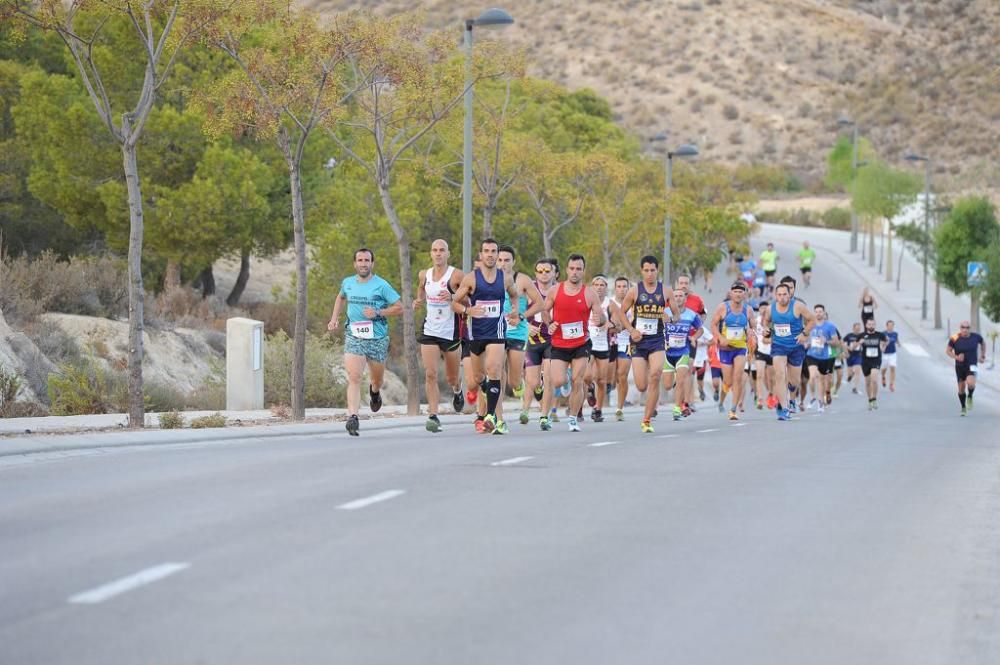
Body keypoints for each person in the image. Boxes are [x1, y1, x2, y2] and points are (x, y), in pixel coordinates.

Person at [450, 238, 522, 435]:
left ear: (498, 255)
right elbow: (454, 303)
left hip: (497, 331)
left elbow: (515, 295)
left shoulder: (505, 278)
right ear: (481, 255)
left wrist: (515, 310)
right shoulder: (471, 278)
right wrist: (468, 311)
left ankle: (490, 416)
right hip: (476, 334)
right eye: (486, 251)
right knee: (478, 377)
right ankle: (486, 393)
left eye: (493, 251)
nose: (490, 254)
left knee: (494, 369)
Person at [328, 248, 403, 436]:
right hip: (354, 335)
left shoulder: (382, 285)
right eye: (360, 260)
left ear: (372, 263)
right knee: (354, 377)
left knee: (377, 379)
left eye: (367, 260)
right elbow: (340, 297)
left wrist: (379, 312)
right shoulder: (348, 283)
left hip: (377, 338)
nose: (363, 263)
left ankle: (375, 392)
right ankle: (352, 417)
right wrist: (334, 318)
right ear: (355, 264)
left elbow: (399, 307)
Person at [534, 253, 606, 432]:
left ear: (583, 271)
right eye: (572, 268)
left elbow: (601, 317)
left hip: (581, 344)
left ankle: (573, 418)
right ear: (566, 270)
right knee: (557, 381)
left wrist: (601, 319)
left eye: (579, 269)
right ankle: (564, 380)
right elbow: (544, 311)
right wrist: (549, 323)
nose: (575, 272)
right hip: (559, 343)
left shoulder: (589, 294)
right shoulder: (555, 290)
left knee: (578, 380)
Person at [413, 239, 466, 432]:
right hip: (430, 330)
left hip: (450, 333)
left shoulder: (456, 275)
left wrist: (453, 297)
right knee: (430, 373)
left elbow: (469, 297)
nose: (438, 254)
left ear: (448, 253)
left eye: (442, 250)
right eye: (435, 250)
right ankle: (433, 415)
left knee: (452, 377)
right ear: (430, 253)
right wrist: (419, 300)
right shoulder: (424, 274)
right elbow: (421, 289)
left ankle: (457, 390)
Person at [616, 255, 671, 433]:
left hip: (657, 340)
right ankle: (648, 404)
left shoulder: (666, 291)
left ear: (657, 270)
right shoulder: (634, 291)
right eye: (646, 270)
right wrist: (632, 331)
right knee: (641, 385)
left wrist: (669, 317)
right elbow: (621, 313)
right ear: (642, 271)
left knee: (655, 375)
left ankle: (647, 420)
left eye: (652, 270)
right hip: (639, 341)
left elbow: (676, 315)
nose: (649, 274)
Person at [497, 244, 540, 415]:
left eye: (507, 260)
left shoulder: (522, 280)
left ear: (513, 262)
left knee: (513, 381)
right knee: (495, 370)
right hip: (496, 332)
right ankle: (494, 410)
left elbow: (540, 303)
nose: (502, 264)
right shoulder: (489, 279)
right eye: (500, 260)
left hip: (517, 332)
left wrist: (522, 316)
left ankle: (519, 384)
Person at [762, 282, 815, 420]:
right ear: (775, 295)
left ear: (789, 294)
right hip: (778, 346)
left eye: (785, 294)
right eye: (779, 295)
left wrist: (804, 333)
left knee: (794, 381)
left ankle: (792, 398)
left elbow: (812, 320)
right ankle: (784, 408)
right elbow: (765, 322)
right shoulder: (770, 308)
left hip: (796, 346)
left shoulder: (797, 306)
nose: (782, 297)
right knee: (779, 375)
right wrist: (766, 330)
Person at [710, 281, 756, 420]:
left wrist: (750, 333)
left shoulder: (748, 310)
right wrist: (719, 337)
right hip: (725, 348)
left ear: (745, 294)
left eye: (740, 291)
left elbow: (753, 327)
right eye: (735, 291)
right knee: (728, 381)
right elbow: (713, 324)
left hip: (740, 348)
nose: (738, 294)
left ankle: (733, 409)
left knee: (738, 378)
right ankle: (722, 401)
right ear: (731, 293)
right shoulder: (723, 308)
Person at [521, 258, 556, 424]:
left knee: (549, 377)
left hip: (552, 340)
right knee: (533, 381)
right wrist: (527, 326)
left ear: (554, 273)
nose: (544, 274)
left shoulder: (558, 291)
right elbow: (517, 313)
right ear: (535, 274)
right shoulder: (529, 291)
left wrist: (555, 324)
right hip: (533, 340)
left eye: (547, 271)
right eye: (540, 271)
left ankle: (544, 416)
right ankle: (526, 409)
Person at [662, 287, 704, 421]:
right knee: (668, 385)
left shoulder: (691, 314)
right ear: (671, 299)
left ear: (685, 299)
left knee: (681, 381)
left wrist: (693, 338)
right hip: (668, 353)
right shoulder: (665, 313)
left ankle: (676, 409)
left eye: (681, 296)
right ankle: (674, 383)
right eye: (675, 296)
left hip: (683, 351)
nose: (678, 298)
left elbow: (700, 330)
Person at [584, 274, 619, 422]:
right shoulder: (586, 301)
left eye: (602, 285)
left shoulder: (610, 304)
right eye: (596, 285)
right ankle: (590, 389)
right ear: (592, 287)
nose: (599, 288)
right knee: (586, 376)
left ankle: (598, 409)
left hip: (604, 345)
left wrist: (609, 325)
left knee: (602, 380)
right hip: (587, 343)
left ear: (606, 287)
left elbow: (618, 325)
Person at [804, 304, 840, 412]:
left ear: (824, 313)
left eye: (820, 311)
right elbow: (805, 337)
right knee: (813, 375)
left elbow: (836, 342)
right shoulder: (810, 325)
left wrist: (826, 341)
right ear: (814, 313)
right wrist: (806, 343)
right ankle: (813, 397)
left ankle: (820, 401)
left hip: (825, 356)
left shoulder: (830, 326)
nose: (818, 313)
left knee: (822, 379)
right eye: (816, 311)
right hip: (812, 355)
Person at [946, 320, 986, 416]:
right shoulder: (954, 338)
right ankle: (963, 407)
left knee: (971, 383)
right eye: (963, 327)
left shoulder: (976, 337)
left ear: (970, 329)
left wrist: (982, 356)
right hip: (960, 366)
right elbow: (948, 351)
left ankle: (970, 396)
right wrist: (956, 357)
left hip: (972, 365)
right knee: (961, 389)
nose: (965, 329)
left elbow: (983, 343)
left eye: (967, 328)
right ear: (960, 328)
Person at [611, 276, 633, 421]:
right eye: (618, 286)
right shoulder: (610, 303)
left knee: (622, 376)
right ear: (615, 288)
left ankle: (619, 408)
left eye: (624, 286)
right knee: (610, 378)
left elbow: (631, 324)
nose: (621, 289)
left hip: (626, 343)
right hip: (610, 343)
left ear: (628, 288)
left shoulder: (633, 305)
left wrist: (623, 324)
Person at [859, 318, 888, 410]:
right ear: (866, 325)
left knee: (874, 380)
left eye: (873, 324)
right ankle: (870, 400)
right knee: (867, 382)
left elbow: (887, 340)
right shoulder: (862, 335)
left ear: (875, 325)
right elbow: (853, 346)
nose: (871, 326)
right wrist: (859, 343)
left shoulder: (880, 335)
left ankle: (874, 398)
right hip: (865, 361)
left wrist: (883, 346)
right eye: (869, 324)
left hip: (876, 360)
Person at [753, 300, 775, 409]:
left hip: (771, 352)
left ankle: (771, 394)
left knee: (771, 378)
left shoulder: (773, 322)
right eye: (762, 308)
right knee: (759, 375)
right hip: (759, 351)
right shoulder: (755, 321)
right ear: (759, 309)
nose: (764, 310)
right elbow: (750, 334)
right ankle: (760, 398)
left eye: (766, 308)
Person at [842, 322, 864, 394]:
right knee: (850, 373)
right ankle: (849, 378)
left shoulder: (862, 336)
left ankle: (855, 388)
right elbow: (841, 342)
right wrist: (847, 349)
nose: (858, 330)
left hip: (858, 355)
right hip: (849, 355)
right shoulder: (849, 336)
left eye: (859, 329)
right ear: (853, 328)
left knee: (858, 371)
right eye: (856, 329)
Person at [881, 319, 899, 392]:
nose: (891, 327)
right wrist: (885, 344)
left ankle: (891, 384)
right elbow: (881, 343)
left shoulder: (895, 333)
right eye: (889, 325)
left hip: (893, 353)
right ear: (887, 326)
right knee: (884, 369)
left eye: (892, 326)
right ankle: (883, 376)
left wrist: (899, 343)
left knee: (892, 367)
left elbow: (896, 339)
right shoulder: (883, 334)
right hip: (885, 354)